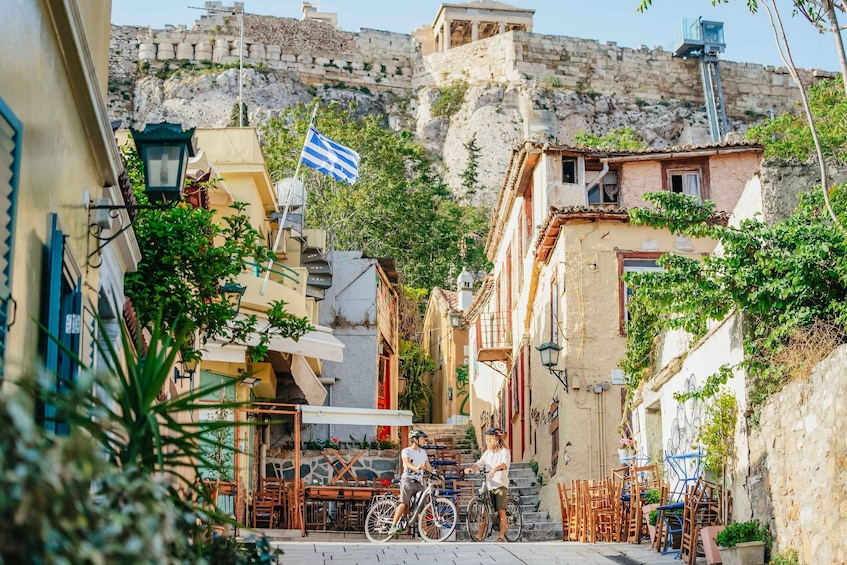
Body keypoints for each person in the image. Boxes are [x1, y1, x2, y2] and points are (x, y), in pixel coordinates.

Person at [465, 427, 511, 542]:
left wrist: (495, 469)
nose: (488, 442)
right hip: (489, 484)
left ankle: (501, 537)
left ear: (496, 439)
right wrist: (471, 469)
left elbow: (505, 464)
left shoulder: (504, 452)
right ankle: (479, 535)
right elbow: (480, 463)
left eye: (490, 439)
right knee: (485, 511)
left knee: (501, 510)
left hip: (499, 484)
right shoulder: (488, 453)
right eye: (487, 439)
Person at [388, 428, 435, 535]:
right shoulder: (406, 451)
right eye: (422, 438)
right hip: (408, 481)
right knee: (403, 503)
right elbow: (407, 463)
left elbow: (428, 467)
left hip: (419, 483)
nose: (424, 441)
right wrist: (417, 467)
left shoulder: (423, 453)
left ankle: (425, 535)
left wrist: (436, 473)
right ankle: (393, 526)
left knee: (421, 509)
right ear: (415, 439)